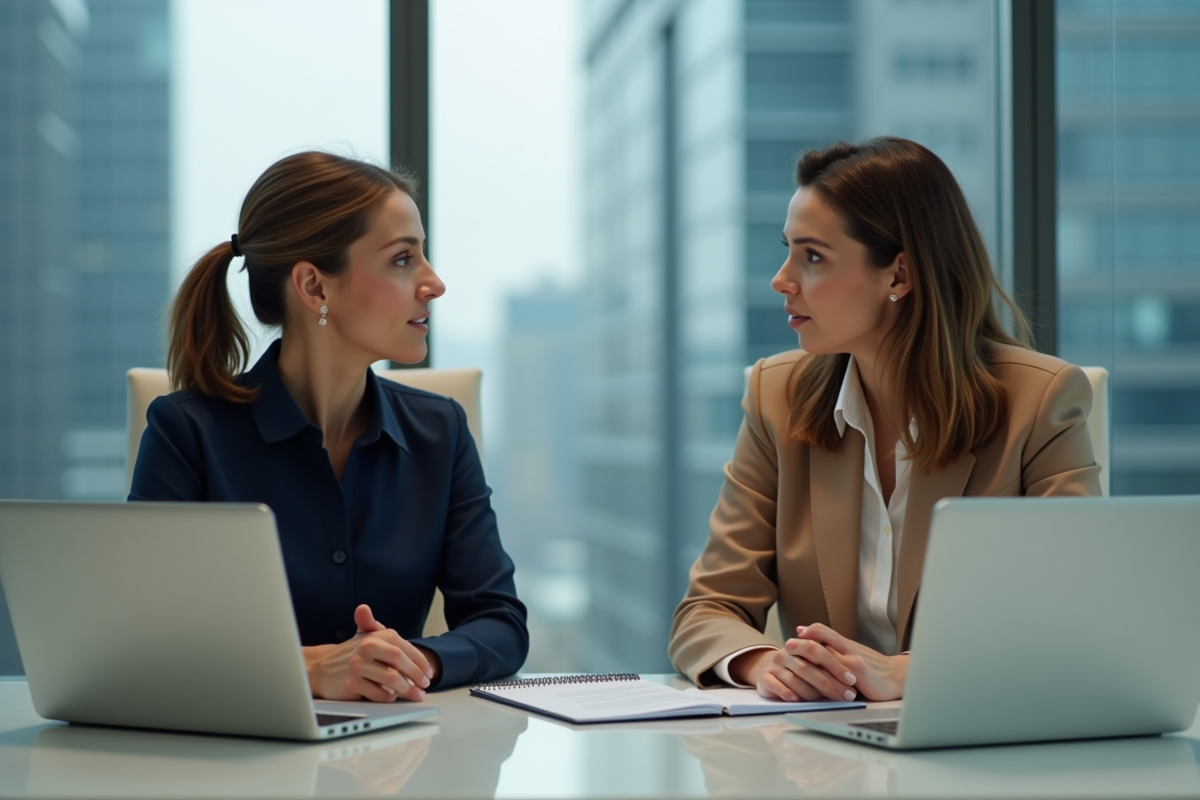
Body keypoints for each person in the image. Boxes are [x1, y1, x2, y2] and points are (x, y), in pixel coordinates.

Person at [668, 137, 1100, 702]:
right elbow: (707, 610)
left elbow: (1077, 620)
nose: (781, 279)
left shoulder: (1040, 403)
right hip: (825, 745)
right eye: (787, 251)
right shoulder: (777, 396)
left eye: (813, 257)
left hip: (977, 740)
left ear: (899, 276)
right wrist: (766, 662)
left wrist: (909, 673)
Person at [129, 151, 528, 702]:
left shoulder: (441, 431)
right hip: (235, 749)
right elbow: (147, 637)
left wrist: (409, 663)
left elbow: (500, 623)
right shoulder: (186, 434)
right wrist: (310, 667)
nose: (434, 283)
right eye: (402, 259)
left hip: (402, 746)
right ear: (314, 286)